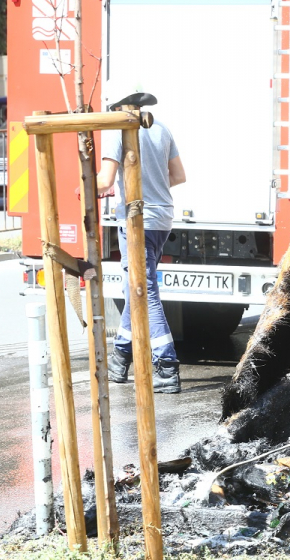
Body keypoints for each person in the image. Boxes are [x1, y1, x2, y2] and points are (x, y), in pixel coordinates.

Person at [100, 107, 187, 394]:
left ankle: (166, 364)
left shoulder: (117, 129)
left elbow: (105, 180)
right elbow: (178, 175)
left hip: (138, 220)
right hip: (162, 218)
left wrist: (83, 185)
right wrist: (154, 185)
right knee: (135, 286)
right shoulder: (161, 127)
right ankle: (121, 356)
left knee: (144, 290)